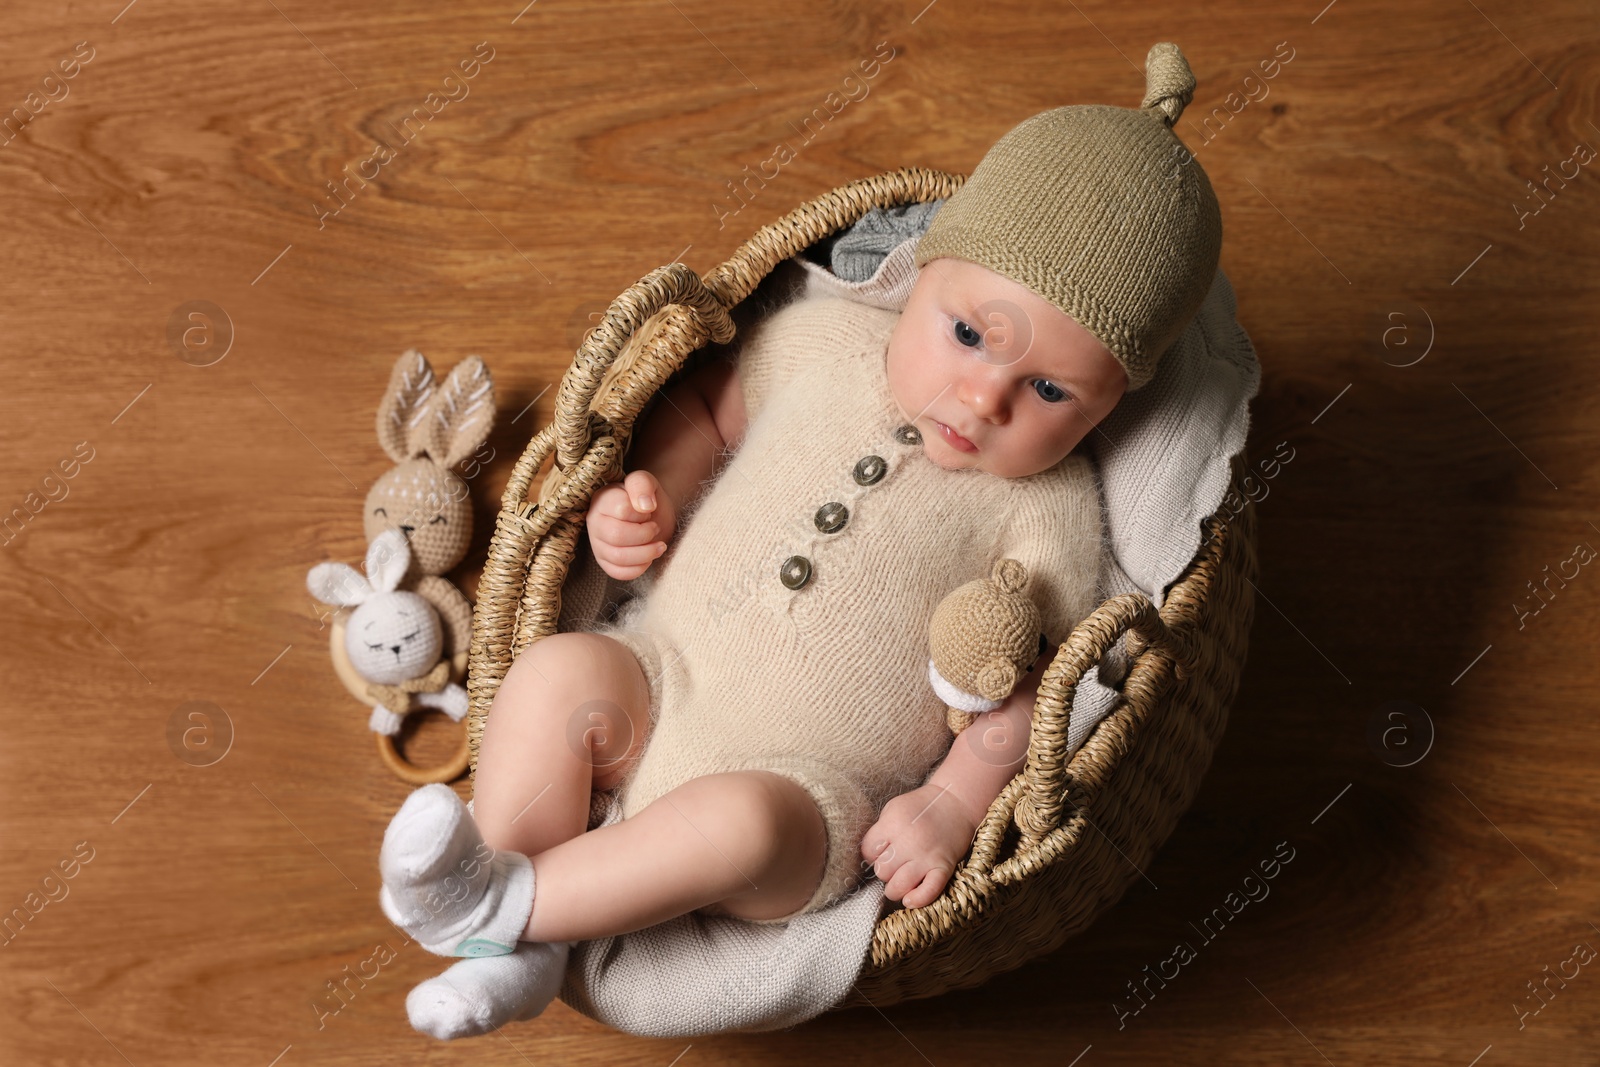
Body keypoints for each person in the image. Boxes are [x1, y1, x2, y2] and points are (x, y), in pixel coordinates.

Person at [380, 40, 1223, 1040]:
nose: (983, 397)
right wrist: (645, 499)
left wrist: (953, 802)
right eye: (966, 334)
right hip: (662, 671)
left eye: (1048, 391)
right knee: (557, 672)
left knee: (733, 823)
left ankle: (494, 909)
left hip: (803, 798)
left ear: (1109, 403)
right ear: (924, 274)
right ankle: (513, 945)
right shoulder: (825, 344)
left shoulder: (1049, 509)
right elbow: (708, 404)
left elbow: (1034, 686)